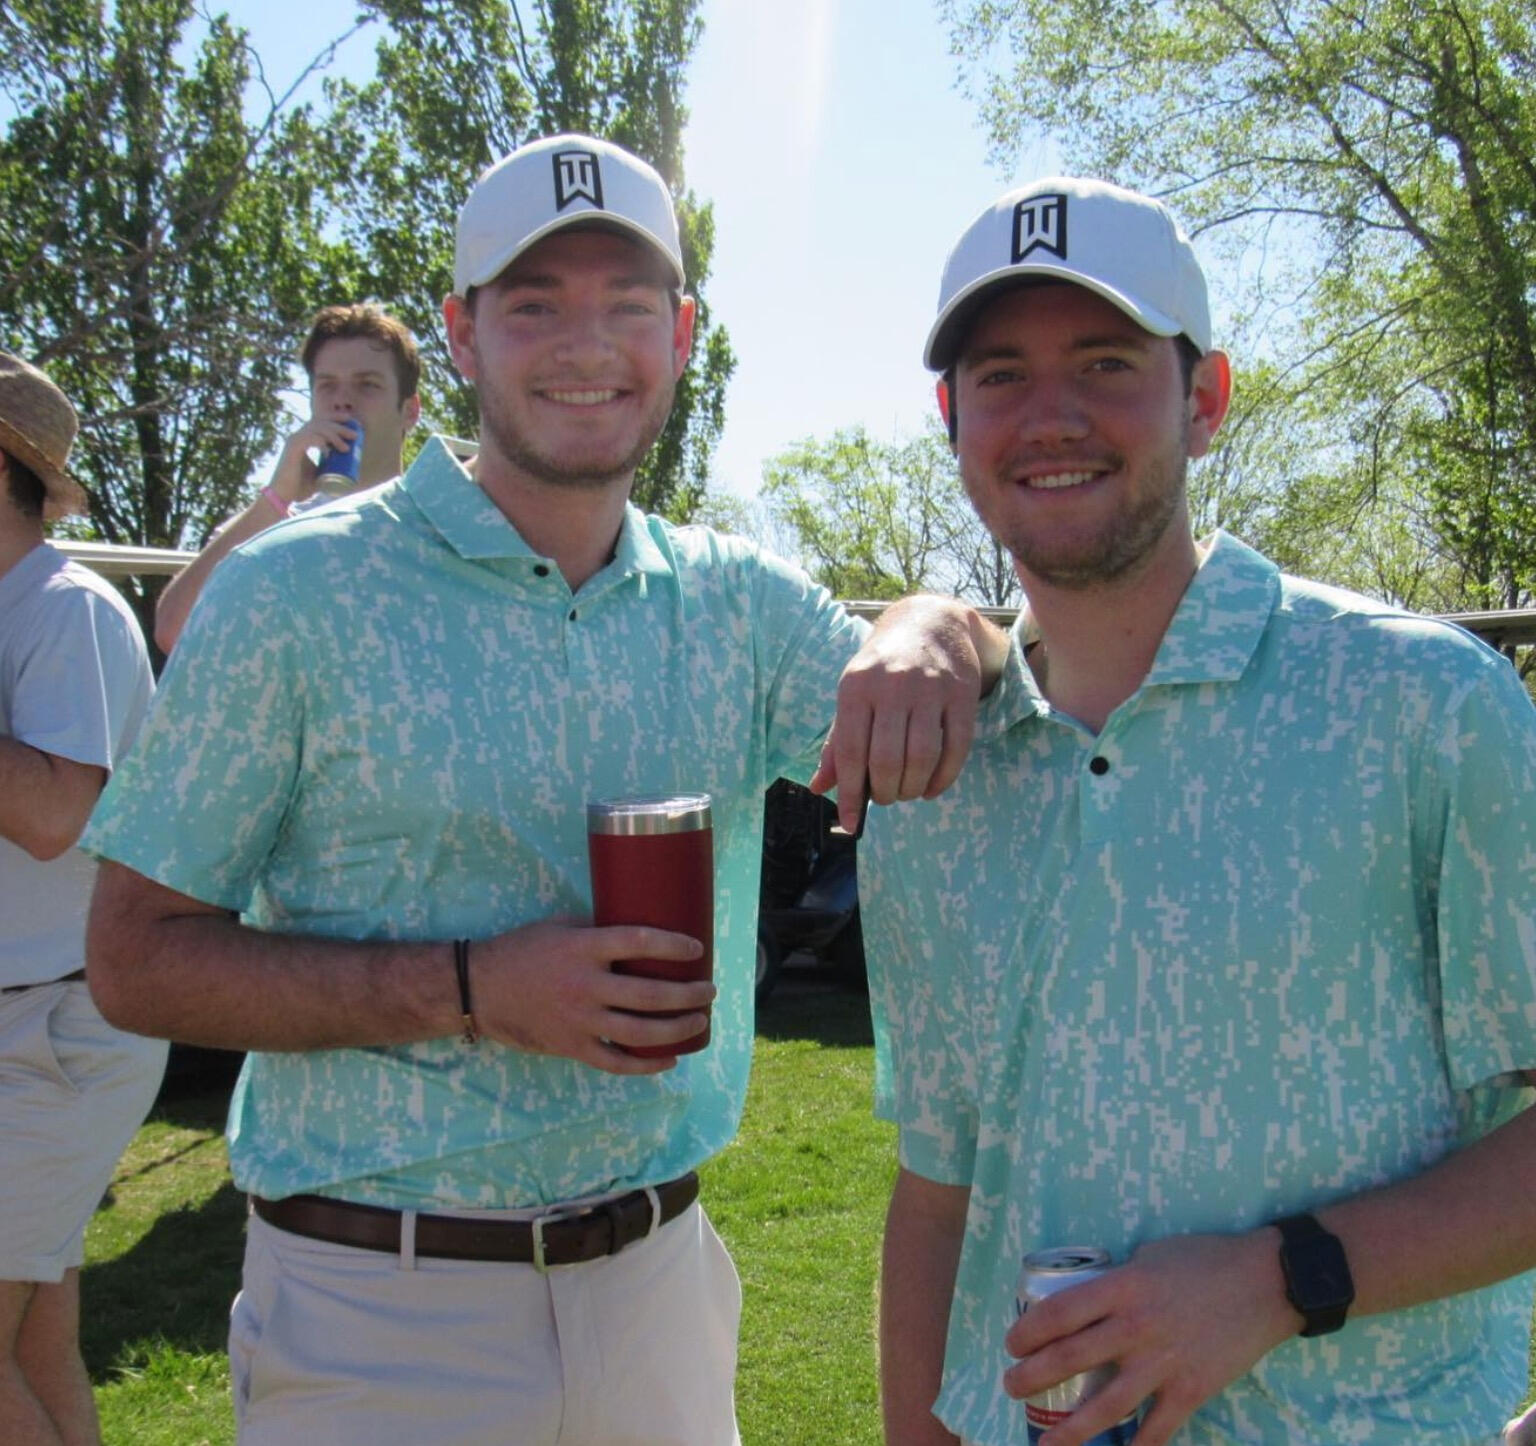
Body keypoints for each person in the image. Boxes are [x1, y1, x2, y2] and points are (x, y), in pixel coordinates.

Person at [82, 133, 1006, 1445]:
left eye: (627, 304)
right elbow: (132, 959)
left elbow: (980, 713)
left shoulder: (736, 604)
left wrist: (935, 622)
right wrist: (473, 988)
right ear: (462, 335)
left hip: (660, 1292)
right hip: (376, 1309)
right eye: (534, 305)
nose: (586, 345)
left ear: (681, 335)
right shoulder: (293, 592)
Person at [861, 176, 1536, 1446]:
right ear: (952, 421)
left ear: (1207, 400)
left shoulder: (1425, 705)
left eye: (1106, 363)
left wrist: (1284, 1279)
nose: (1051, 416)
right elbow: (941, 1195)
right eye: (1002, 376)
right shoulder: (935, 776)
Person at [0, 351, 167, 1446]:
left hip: (56, 1030)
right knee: (35, 1347)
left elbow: (55, 814)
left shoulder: (68, 611)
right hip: (33, 1024)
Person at [153, 302, 423, 652]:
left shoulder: (438, 530)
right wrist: (275, 501)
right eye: (327, 386)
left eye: (367, 385)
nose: (342, 401)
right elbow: (174, 632)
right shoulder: (271, 524)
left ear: (410, 411)